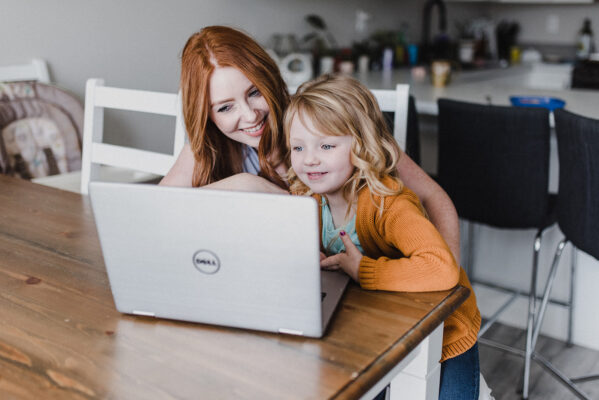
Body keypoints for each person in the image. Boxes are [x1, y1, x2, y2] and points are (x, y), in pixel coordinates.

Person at [160, 25, 462, 264]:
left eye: (254, 92)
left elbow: (433, 196)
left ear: (270, 78)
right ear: (207, 116)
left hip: (368, 283)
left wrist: (447, 283)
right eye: (225, 108)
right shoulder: (207, 150)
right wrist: (245, 184)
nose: (250, 115)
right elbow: (154, 212)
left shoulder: (320, 120)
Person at [284, 74, 481, 400]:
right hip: (381, 330)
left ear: (361, 145)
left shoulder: (387, 202)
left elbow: (442, 268)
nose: (309, 159)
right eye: (298, 147)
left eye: (327, 145)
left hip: (444, 334)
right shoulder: (309, 197)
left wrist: (363, 270)